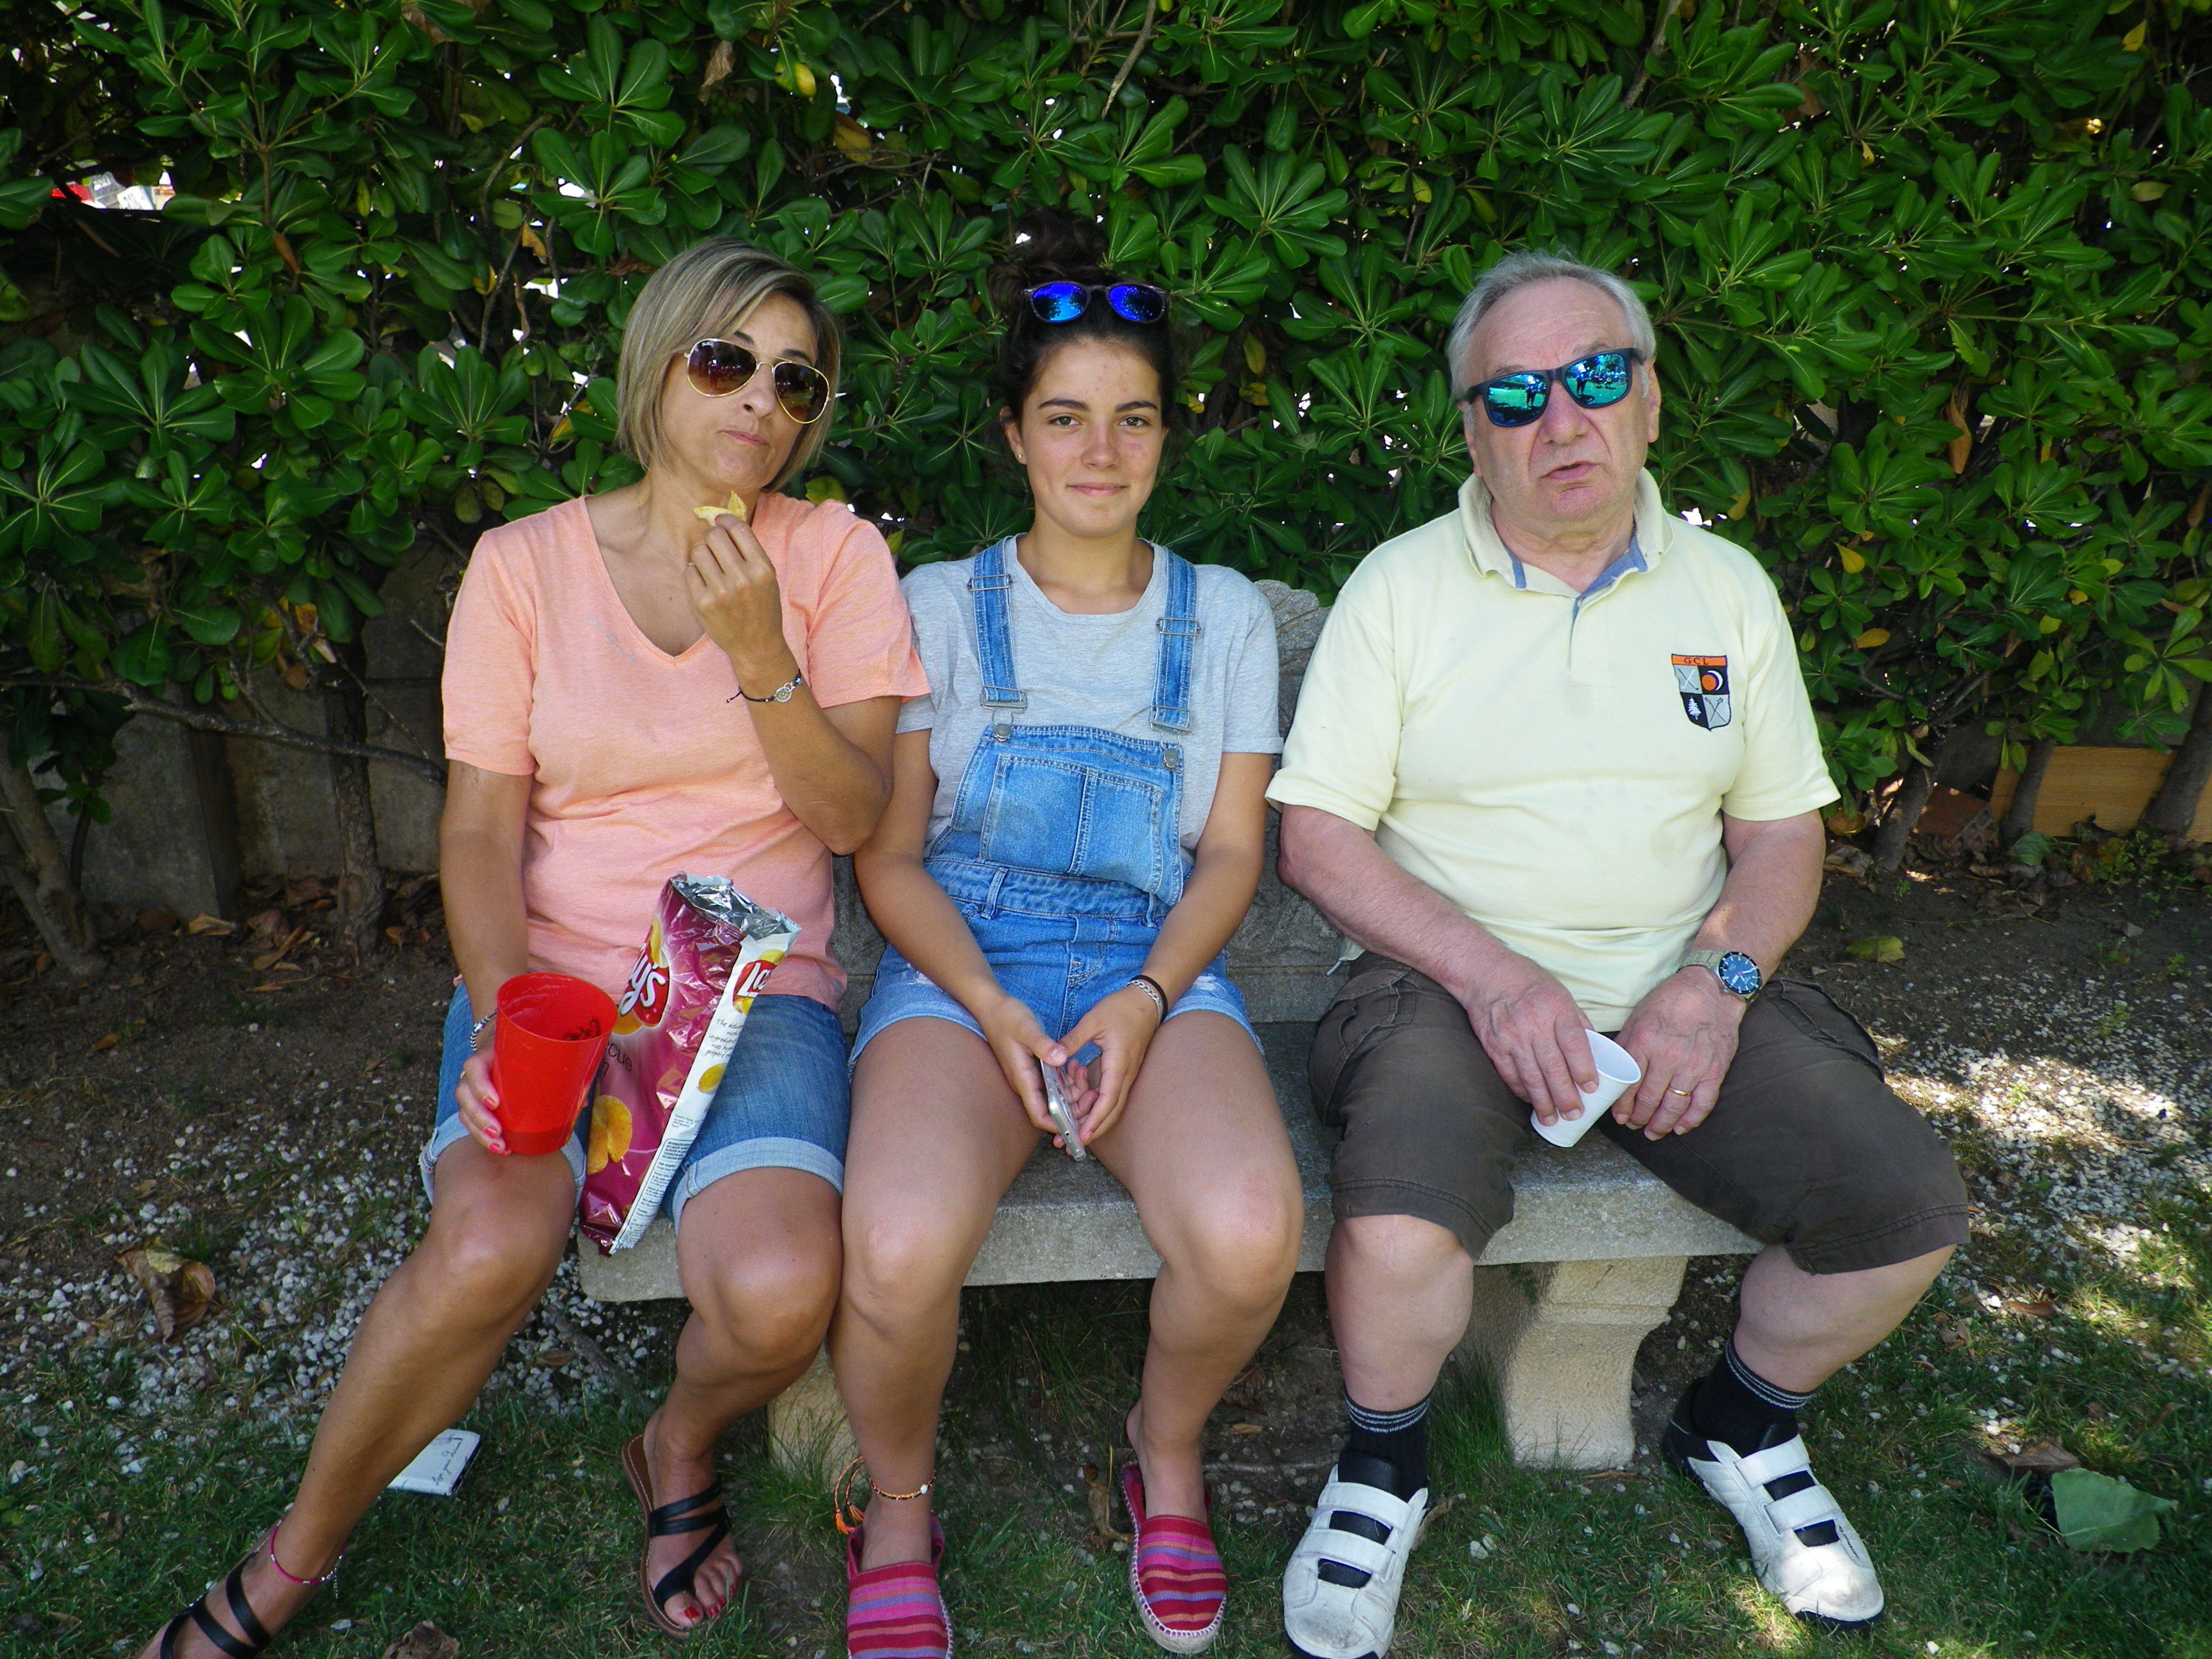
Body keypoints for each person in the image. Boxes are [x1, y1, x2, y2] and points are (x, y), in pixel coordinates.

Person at [137, 239, 926, 1658]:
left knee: (776, 1292)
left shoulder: (834, 559)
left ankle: (673, 1443)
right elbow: (478, 831)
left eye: (795, 380)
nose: (760, 399)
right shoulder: (523, 568)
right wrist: (509, 1014)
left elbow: (854, 818)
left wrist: (762, 653)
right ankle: (291, 1560)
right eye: (726, 362)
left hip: (754, 998)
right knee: (488, 1245)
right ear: (659, 366)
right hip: (555, 982)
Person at [1267, 251, 1970, 1653]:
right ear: (1470, 430)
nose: (1559, 419)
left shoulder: (1726, 590)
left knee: (1902, 1212)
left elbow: (1778, 837)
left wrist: (1714, 986)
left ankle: (1741, 1423)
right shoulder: (1399, 590)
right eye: (1513, 395)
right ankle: (1383, 1462)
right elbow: (1319, 842)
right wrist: (1494, 978)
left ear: (1647, 398)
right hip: (1441, 983)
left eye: (1594, 376)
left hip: (1676, 982)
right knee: (1398, 1215)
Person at [828, 211, 1304, 1659]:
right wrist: (988, 1007)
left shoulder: (1222, 620)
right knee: (896, 1243)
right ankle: (897, 1505)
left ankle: (1165, 1449)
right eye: (1064, 417)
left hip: (1149, 970)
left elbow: (1233, 854)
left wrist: (1148, 1001)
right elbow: (889, 861)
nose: (1101, 451)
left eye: (1133, 418)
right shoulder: (938, 609)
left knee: (1250, 1235)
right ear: (1013, 435)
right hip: (961, 970)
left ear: (1166, 436)